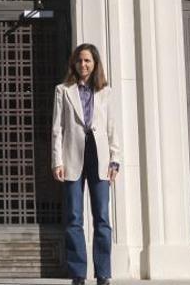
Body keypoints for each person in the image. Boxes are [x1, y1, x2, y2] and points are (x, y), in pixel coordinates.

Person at [51, 43, 121, 285]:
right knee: (73, 217)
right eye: (80, 60)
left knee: (102, 217)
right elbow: (57, 129)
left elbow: (112, 127)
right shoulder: (63, 90)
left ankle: (103, 274)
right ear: (74, 63)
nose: (83, 65)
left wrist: (116, 159)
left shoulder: (106, 91)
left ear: (95, 64)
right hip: (72, 156)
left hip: (100, 157)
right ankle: (78, 274)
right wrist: (56, 161)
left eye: (88, 61)